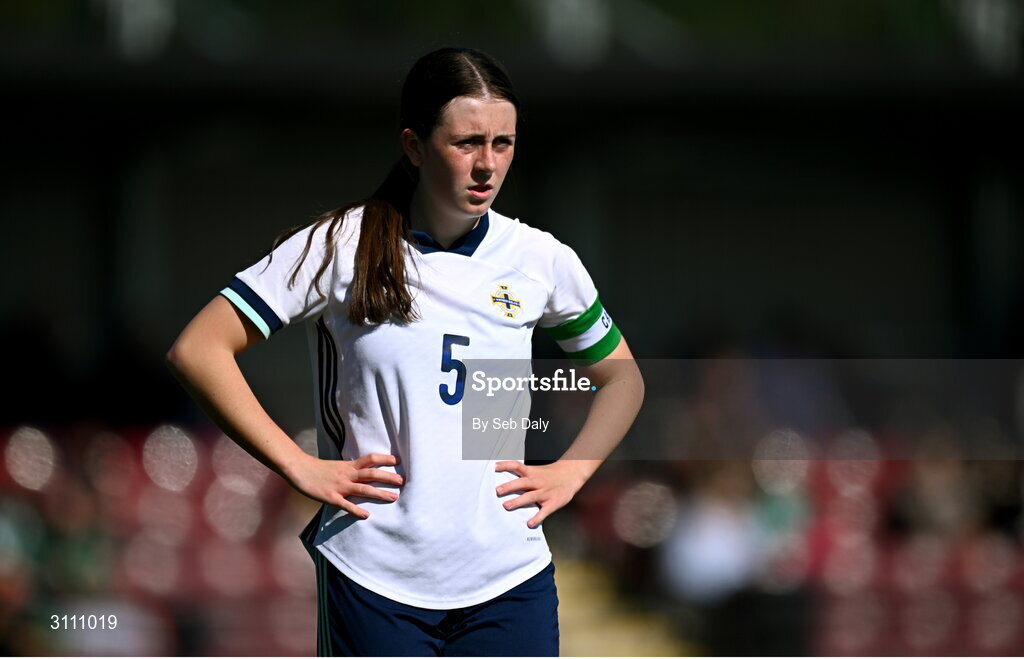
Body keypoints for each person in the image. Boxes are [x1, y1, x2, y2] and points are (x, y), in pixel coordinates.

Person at [166, 46, 644, 657]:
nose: (487, 165)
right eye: (467, 142)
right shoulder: (341, 244)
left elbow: (623, 380)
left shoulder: (542, 260)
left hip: (509, 576)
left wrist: (572, 473)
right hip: (374, 575)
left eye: (504, 143)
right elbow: (199, 349)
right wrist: (297, 464)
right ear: (414, 146)